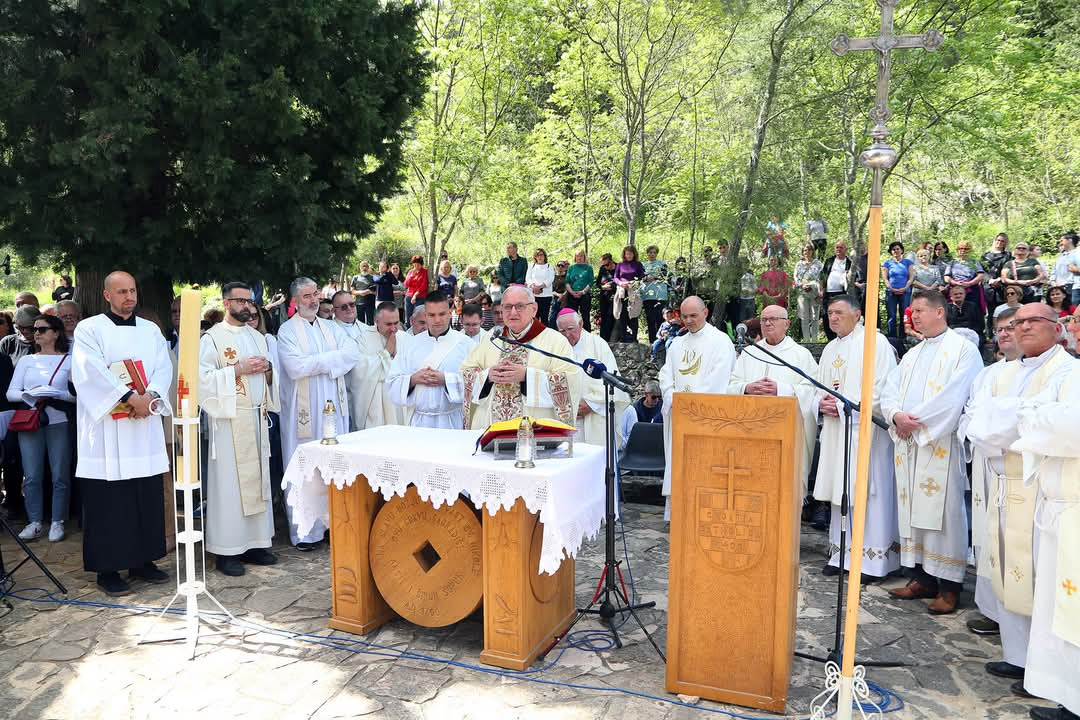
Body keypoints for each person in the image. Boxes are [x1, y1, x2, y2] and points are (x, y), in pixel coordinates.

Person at [962, 303, 1075, 704]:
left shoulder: (1066, 371)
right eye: (1017, 322)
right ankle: (1018, 655)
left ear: (1057, 328)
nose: (1023, 327)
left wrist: (1012, 419)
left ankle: (1044, 670)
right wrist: (1015, 420)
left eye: (1032, 321)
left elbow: (1054, 425)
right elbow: (981, 423)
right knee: (1008, 566)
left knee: (1038, 578)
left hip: (1041, 488)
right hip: (1004, 478)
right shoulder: (1005, 372)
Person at [72, 271, 174, 596]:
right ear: (107, 295)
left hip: (143, 426)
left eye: (132, 290)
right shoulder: (90, 329)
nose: (129, 297)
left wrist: (151, 396)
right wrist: (129, 397)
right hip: (107, 430)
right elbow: (89, 370)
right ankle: (108, 569)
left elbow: (164, 367)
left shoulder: (151, 330)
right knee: (110, 502)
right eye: (121, 292)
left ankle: (143, 561)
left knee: (145, 495)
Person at [880, 290, 983, 614]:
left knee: (945, 515)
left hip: (939, 443)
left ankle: (950, 586)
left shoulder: (964, 350)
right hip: (910, 445)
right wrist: (896, 415)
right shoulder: (912, 354)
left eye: (920, 310)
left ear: (940, 312)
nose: (913, 316)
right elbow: (889, 390)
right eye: (912, 311)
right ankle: (922, 578)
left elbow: (955, 397)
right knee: (913, 513)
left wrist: (915, 423)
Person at [1011, 347, 1080, 720]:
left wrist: (1042, 419)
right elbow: (1026, 412)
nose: (1076, 328)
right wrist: (1043, 419)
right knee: (1061, 613)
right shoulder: (1071, 372)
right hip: (1059, 510)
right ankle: (1070, 699)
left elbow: (1072, 429)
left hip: (1075, 511)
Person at [812, 294, 900, 579]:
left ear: (858, 314)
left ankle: (873, 561)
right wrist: (820, 403)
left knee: (867, 492)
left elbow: (883, 388)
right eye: (830, 313)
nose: (833, 317)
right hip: (837, 430)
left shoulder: (875, 342)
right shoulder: (830, 349)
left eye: (839, 312)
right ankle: (841, 555)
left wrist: (841, 406)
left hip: (866, 430)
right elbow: (819, 386)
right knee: (840, 490)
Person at [198, 283, 279, 576]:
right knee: (229, 488)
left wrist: (268, 370)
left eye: (250, 301)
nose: (247, 306)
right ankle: (227, 550)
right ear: (226, 303)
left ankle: (256, 543)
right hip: (229, 422)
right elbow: (202, 379)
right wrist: (238, 369)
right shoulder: (212, 339)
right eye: (241, 301)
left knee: (258, 484)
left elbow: (270, 377)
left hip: (256, 417)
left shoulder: (258, 337)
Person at [277, 277, 360, 550]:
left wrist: (315, 363)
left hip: (334, 408)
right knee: (306, 469)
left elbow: (351, 356)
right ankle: (306, 532)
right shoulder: (287, 331)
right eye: (306, 296)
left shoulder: (332, 327)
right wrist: (331, 360)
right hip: (304, 413)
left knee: (334, 465)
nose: (313, 300)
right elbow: (295, 368)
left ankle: (332, 526)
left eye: (315, 294)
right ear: (295, 301)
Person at [958, 306, 1020, 639]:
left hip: (1016, 467)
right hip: (985, 464)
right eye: (1000, 329)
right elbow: (970, 412)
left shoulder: (1038, 372)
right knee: (987, 535)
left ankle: (1016, 616)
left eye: (1012, 326)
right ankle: (991, 610)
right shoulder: (987, 374)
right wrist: (976, 431)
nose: (1005, 333)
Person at [658, 296, 736, 519]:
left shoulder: (721, 341)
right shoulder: (677, 344)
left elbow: (720, 378)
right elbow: (665, 374)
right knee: (679, 465)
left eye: (693, 315)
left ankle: (703, 515)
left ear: (706, 312)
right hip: (679, 415)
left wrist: (691, 404)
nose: (689, 320)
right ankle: (678, 515)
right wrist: (672, 396)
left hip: (706, 419)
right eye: (685, 316)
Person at [460, 286, 580, 429]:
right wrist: (487, 376)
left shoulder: (555, 341)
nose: (513, 312)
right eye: (507, 307)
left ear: (534, 309)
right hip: (492, 429)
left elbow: (570, 380)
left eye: (520, 306)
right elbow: (466, 371)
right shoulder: (492, 338)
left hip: (534, 431)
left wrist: (527, 376)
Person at [728, 305, 819, 495]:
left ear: (786, 324)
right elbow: (731, 385)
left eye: (773, 319)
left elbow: (813, 390)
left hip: (786, 429)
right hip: (752, 428)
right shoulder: (750, 352)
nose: (767, 323)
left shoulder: (801, 355)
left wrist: (781, 389)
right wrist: (747, 388)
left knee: (784, 484)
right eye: (764, 319)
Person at [7, 314, 74, 542]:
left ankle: (57, 521)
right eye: (35, 329)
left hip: (59, 421)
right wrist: (30, 395)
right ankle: (34, 521)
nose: (36, 333)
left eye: (42, 329)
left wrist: (56, 394)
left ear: (55, 333)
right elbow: (11, 392)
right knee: (32, 474)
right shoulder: (27, 361)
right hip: (31, 420)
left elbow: (76, 395)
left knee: (60, 474)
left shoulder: (69, 360)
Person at [387, 292, 472, 429]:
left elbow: (477, 383)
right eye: (432, 315)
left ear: (450, 313)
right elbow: (392, 382)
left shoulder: (466, 344)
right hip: (419, 422)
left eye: (442, 314)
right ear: (425, 315)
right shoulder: (411, 345)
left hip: (452, 422)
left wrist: (446, 380)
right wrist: (413, 380)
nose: (437, 320)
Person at [555, 309, 629, 446]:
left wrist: (591, 404)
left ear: (580, 324)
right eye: (562, 331)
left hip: (594, 416)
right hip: (566, 418)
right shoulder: (556, 349)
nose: (567, 335)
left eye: (570, 329)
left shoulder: (598, 344)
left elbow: (611, 379)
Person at [350, 302, 410, 431]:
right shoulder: (363, 340)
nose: (393, 329)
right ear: (376, 321)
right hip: (375, 403)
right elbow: (359, 372)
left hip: (400, 402)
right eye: (388, 324)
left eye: (396, 323)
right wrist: (386, 354)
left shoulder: (406, 338)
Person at [820, 242, 855, 340]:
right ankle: (830, 339)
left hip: (841, 294)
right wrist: (821, 289)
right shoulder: (829, 261)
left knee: (840, 315)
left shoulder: (849, 262)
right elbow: (823, 276)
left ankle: (840, 337)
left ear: (845, 250)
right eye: (837, 247)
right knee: (826, 315)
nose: (838, 249)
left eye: (841, 247)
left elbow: (853, 278)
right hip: (828, 293)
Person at [882, 241, 915, 339]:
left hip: (905, 292)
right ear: (891, 251)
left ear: (902, 250)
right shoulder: (887, 263)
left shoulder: (908, 263)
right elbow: (885, 278)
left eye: (898, 249)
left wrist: (905, 288)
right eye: (893, 249)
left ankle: (903, 337)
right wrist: (891, 288)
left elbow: (911, 277)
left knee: (904, 315)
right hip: (891, 292)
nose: (896, 251)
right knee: (891, 315)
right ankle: (892, 337)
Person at [944, 240, 986, 313]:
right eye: (961, 248)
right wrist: (954, 283)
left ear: (970, 250)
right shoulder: (952, 262)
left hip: (971, 290)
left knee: (971, 311)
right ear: (957, 250)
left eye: (966, 249)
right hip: (955, 289)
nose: (963, 250)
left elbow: (980, 275)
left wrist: (970, 283)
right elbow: (946, 277)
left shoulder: (974, 262)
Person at [618, 380, 663, 448]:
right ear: (646, 395)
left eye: (659, 397)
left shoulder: (663, 407)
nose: (657, 400)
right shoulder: (635, 409)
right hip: (640, 444)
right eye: (653, 397)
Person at [614, 246, 645, 342]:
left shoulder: (638, 264)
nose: (629, 255)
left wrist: (633, 283)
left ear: (634, 254)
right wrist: (621, 283)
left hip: (633, 292)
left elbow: (642, 276)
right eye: (627, 254)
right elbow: (616, 278)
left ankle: (634, 338)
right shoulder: (620, 265)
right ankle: (623, 337)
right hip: (622, 292)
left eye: (631, 253)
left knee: (633, 314)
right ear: (624, 254)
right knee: (623, 314)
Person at [981, 233, 1013, 323]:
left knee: (1003, 311)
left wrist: (999, 279)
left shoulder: (1008, 256)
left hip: (1002, 286)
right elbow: (981, 271)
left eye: (1002, 241)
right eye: (998, 240)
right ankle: (990, 331)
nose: (1000, 242)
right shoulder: (985, 255)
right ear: (995, 241)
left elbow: (1010, 269)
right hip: (988, 287)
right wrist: (990, 280)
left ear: (1005, 243)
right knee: (990, 313)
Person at [641, 245, 670, 344]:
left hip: (660, 295)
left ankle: (661, 342)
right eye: (650, 252)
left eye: (654, 252)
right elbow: (640, 277)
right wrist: (648, 278)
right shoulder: (643, 265)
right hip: (647, 295)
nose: (652, 254)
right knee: (650, 320)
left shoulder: (662, 264)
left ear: (657, 254)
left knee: (659, 319)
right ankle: (652, 343)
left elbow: (664, 276)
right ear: (647, 253)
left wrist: (651, 277)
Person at [794, 244, 823, 341]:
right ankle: (806, 340)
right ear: (803, 252)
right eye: (805, 250)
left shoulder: (818, 264)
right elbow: (795, 278)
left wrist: (820, 291)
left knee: (815, 317)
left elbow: (822, 278)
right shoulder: (799, 264)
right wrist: (802, 285)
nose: (807, 252)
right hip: (802, 292)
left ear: (813, 251)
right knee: (804, 317)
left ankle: (814, 340)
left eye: (809, 250)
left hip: (815, 293)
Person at [564, 250, 594, 332]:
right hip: (572, 295)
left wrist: (583, 292)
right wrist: (572, 292)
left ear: (584, 257)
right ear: (575, 257)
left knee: (585, 317)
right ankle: (573, 334)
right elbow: (567, 282)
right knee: (573, 317)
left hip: (584, 295)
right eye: (577, 256)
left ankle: (587, 334)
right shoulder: (571, 268)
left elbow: (591, 282)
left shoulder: (589, 268)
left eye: (581, 256)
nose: (579, 258)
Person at [524, 248, 555, 324]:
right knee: (534, 317)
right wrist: (533, 287)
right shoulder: (531, 266)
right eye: (537, 255)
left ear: (544, 256)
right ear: (535, 257)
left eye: (541, 255)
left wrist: (540, 287)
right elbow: (528, 278)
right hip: (533, 295)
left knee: (544, 317)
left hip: (546, 295)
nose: (539, 257)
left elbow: (550, 278)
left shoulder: (549, 266)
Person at [1050, 232, 1078, 304]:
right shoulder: (1061, 256)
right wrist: (1053, 282)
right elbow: (1054, 270)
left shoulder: (1077, 254)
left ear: (1070, 240)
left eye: (1062, 240)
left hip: (1072, 287)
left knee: (1073, 308)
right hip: (1058, 288)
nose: (1060, 243)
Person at [596, 253, 618, 342]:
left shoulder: (618, 267)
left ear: (611, 261)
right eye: (603, 265)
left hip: (615, 297)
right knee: (604, 317)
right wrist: (602, 287)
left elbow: (621, 280)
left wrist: (613, 285)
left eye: (607, 265)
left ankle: (611, 339)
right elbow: (598, 283)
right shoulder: (602, 269)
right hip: (604, 296)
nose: (605, 267)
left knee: (611, 317)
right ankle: (603, 339)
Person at [404, 255, 429, 326]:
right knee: (408, 315)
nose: (416, 267)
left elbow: (424, 286)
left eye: (418, 265)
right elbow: (406, 284)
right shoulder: (410, 272)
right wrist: (412, 275)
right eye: (414, 265)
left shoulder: (425, 272)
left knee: (418, 315)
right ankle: (408, 328)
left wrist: (415, 295)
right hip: (409, 296)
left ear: (421, 264)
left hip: (420, 296)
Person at [350, 261, 376, 325]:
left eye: (366, 266)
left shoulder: (373, 278)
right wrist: (360, 292)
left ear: (368, 267)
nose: (364, 267)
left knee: (370, 323)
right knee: (360, 323)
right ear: (360, 267)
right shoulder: (355, 277)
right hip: (359, 303)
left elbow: (377, 291)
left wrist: (370, 292)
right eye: (363, 266)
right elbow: (352, 291)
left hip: (370, 303)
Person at [550, 260, 569, 327]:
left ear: (565, 267)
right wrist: (558, 295)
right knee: (552, 318)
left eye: (562, 266)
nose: (560, 267)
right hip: (555, 298)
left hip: (566, 298)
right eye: (559, 265)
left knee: (564, 318)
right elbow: (551, 290)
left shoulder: (567, 277)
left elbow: (569, 287)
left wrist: (563, 296)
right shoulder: (553, 277)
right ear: (556, 267)